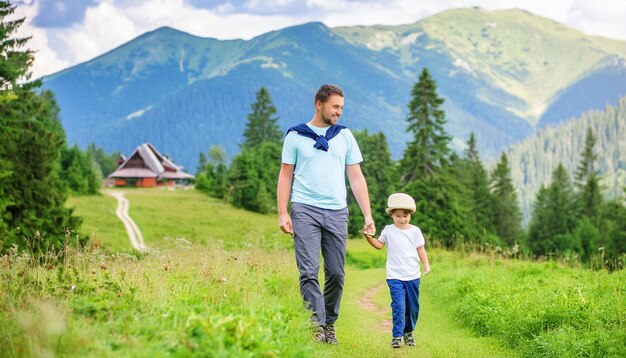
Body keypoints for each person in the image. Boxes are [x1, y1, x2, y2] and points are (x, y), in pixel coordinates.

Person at [277, 84, 375, 345]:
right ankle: (315, 325)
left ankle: (329, 322)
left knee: (336, 273)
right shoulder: (295, 136)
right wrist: (282, 212)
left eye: (341, 107)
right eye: (335, 106)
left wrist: (368, 215)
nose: (339, 112)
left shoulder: (344, 136)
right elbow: (285, 176)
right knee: (308, 271)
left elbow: (356, 178)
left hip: (337, 212)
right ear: (318, 104)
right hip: (304, 209)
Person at [363, 192, 431, 349]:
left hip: (413, 276)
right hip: (394, 276)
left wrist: (426, 265)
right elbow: (379, 245)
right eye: (398, 215)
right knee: (399, 306)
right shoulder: (388, 230)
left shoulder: (415, 231)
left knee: (412, 307)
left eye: (405, 215)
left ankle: (409, 332)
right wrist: (368, 237)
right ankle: (397, 336)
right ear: (392, 215)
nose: (402, 219)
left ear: (410, 214)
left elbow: (420, 249)